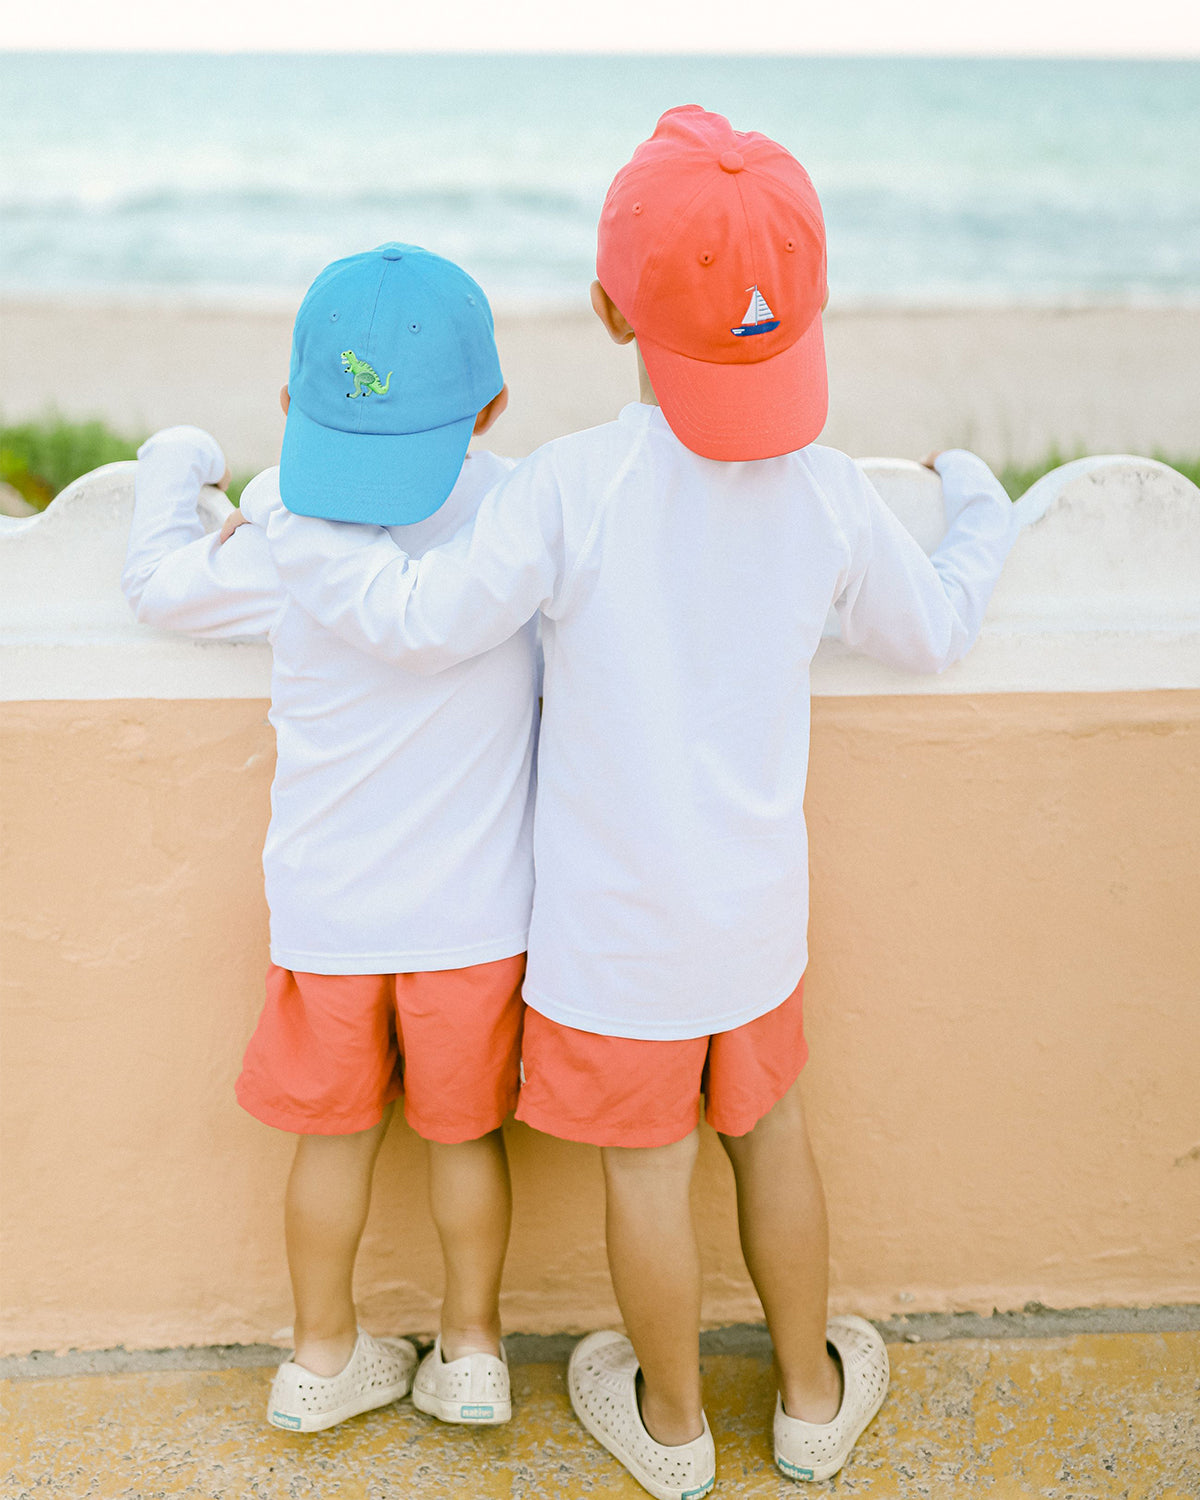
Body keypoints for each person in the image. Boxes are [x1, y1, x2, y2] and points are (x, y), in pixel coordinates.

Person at [240, 109, 1018, 1495]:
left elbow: (421, 622)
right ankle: (807, 1397)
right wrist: (981, 511)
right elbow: (938, 627)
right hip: (753, 927)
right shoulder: (830, 495)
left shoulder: (564, 489)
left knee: (647, 1174)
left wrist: (297, 526)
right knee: (772, 1139)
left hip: (606, 947)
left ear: (608, 307)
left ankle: (669, 1429)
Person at [121, 244, 539, 1435]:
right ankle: (471, 1352)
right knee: (465, 1143)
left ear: (297, 404)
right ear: (493, 404)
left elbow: (153, 583)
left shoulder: (287, 546)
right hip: (477, 921)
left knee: (334, 1141)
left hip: (330, 920)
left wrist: (182, 462)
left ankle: (317, 1359)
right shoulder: (518, 526)